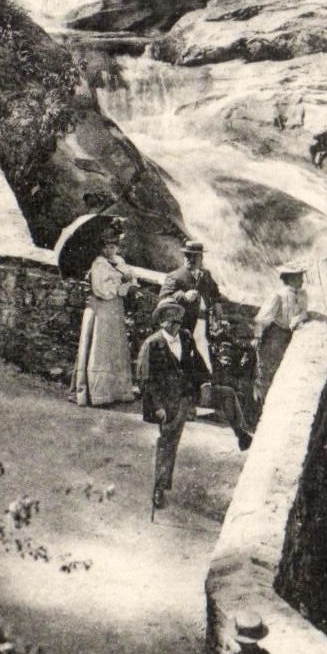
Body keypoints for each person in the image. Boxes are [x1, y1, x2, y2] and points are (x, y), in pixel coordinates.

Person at [137, 298, 201, 511]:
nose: (174, 322)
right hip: (165, 404)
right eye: (169, 318)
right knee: (166, 444)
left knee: (172, 443)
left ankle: (162, 484)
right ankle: (158, 488)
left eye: (177, 318)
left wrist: (196, 393)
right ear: (161, 321)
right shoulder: (152, 344)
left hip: (182, 399)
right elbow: (146, 380)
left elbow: (195, 366)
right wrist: (158, 407)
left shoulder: (185, 338)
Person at [71, 218, 137, 407]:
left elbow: (132, 281)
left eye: (113, 246)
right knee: (99, 347)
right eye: (106, 247)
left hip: (116, 310)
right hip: (101, 309)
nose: (110, 250)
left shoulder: (120, 262)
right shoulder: (99, 264)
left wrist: (128, 281)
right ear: (101, 248)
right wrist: (120, 284)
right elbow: (101, 289)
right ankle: (95, 393)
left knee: (114, 348)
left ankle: (116, 392)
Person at [158, 241, 223, 375]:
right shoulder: (174, 276)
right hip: (184, 323)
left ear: (201, 259)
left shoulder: (205, 275)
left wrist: (217, 303)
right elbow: (164, 297)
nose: (191, 260)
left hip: (203, 323)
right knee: (185, 354)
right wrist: (183, 296)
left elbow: (214, 290)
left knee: (203, 354)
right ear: (184, 257)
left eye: (195, 257)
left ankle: (204, 383)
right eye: (188, 256)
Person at [250, 263, 308, 413]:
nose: (302, 280)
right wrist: (257, 337)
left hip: (289, 339)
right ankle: (258, 412)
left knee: (283, 377)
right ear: (291, 278)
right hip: (274, 339)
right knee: (265, 376)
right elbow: (261, 319)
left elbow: (301, 315)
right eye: (299, 276)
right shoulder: (277, 296)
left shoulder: (301, 295)